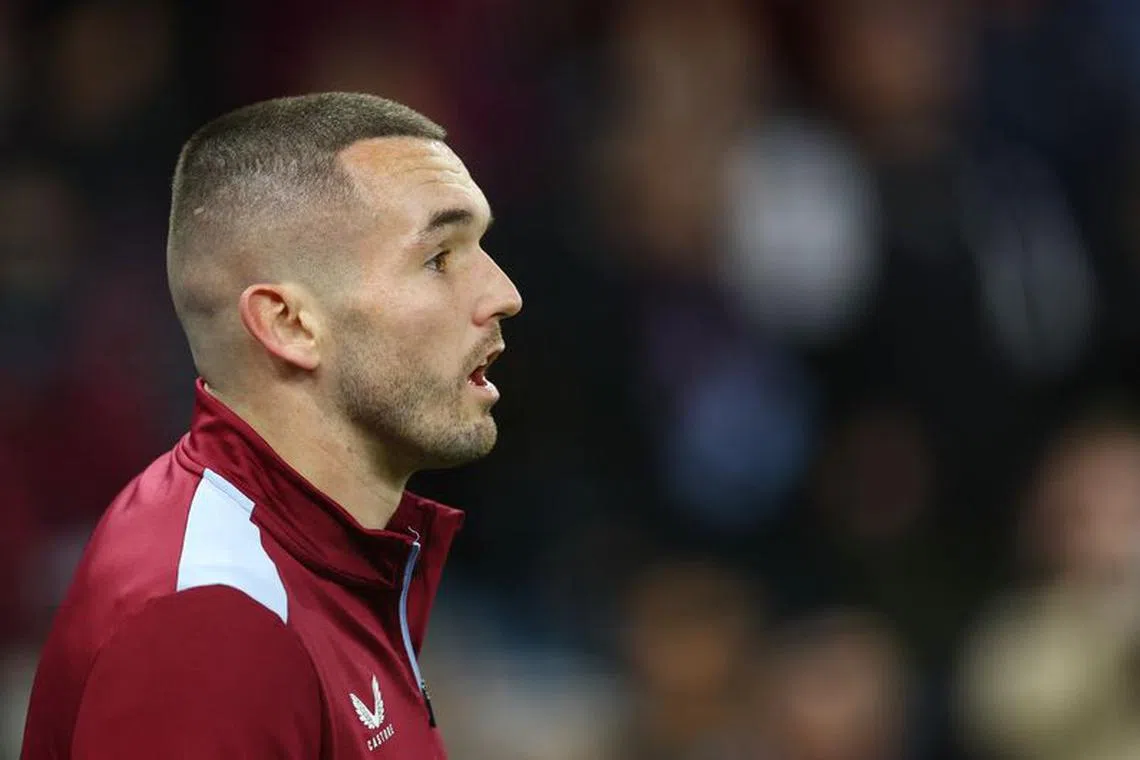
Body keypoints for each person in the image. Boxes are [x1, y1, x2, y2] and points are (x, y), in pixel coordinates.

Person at [20, 91, 523, 759]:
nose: (504, 294)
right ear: (289, 324)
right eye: (439, 258)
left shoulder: (316, 561)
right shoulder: (215, 621)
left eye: (480, 246)